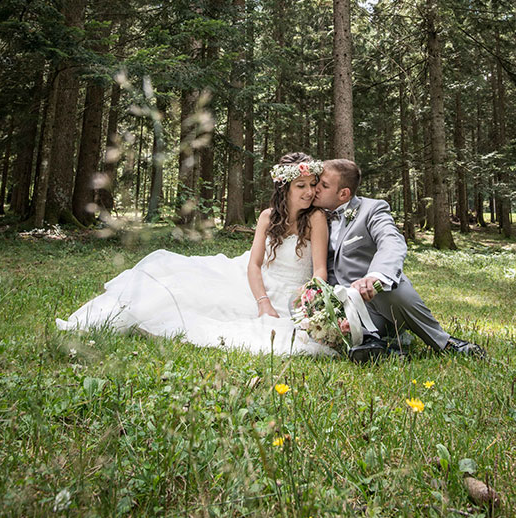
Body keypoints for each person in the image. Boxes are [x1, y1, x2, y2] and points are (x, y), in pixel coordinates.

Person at [56, 153, 334, 356]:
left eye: (312, 185)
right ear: (284, 188)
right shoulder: (266, 217)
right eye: (301, 186)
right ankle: (106, 319)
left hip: (290, 291)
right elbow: (254, 264)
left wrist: (307, 296)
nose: (310, 192)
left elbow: (319, 269)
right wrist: (262, 302)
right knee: (185, 286)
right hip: (256, 282)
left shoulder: (316, 219)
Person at [313, 158, 486, 363]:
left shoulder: (372, 209)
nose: (315, 189)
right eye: (317, 182)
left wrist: (375, 276)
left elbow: (391, 241)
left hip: (377, 299)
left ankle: (444, 343)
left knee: (394, 291)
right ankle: (379, 347)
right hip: (340, 303)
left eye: (324, 185)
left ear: (343, 194)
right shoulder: (310, 215)